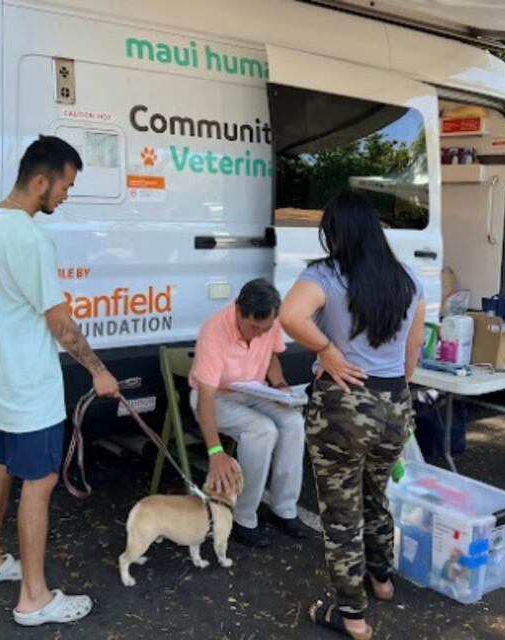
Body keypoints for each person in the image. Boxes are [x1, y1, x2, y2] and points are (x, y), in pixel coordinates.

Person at [0, 135, 119, 626]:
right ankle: (33, 597)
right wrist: (99, 371)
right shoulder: (30, 238)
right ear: (40, 181)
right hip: (27, 386)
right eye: (66, 186)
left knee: (0, 463)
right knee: (40, 480)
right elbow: (62, 325)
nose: (66, 196)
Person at [280, 188, 426, 640]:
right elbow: (412, 351)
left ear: (336, 233)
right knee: (375, 495)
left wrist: (328, 351)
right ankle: (381, 581)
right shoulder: (408, 279)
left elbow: (290, 316)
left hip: (342, 408)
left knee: (341, 515)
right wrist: (393, 390)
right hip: (393, 405)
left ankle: (352, 618)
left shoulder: (324, 276)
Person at [189, 279, 310, 547]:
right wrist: (214, 451)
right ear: (238, 311)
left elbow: (271, 357)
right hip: (216, 396)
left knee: (293, 422)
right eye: (254, 327)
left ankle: (284, 509)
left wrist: (279, 387)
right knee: (262, 430)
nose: (259, 333)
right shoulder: (214, 330)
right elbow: (205, 398)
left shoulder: (269, 321)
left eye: (264, 328)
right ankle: (243, 517)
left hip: (253, 390)